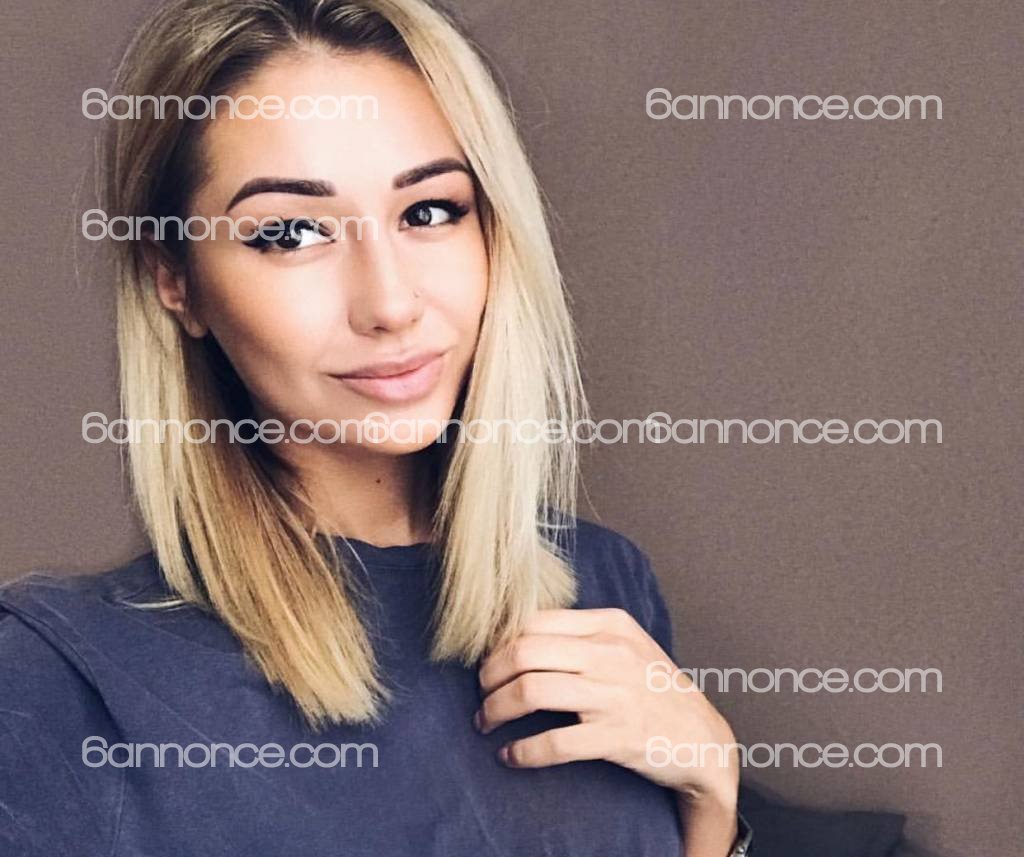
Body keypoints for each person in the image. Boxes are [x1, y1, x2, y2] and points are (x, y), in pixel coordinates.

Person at [0, 1, 753, 854]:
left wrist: (712, 800)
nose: (390, 303)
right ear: (176, 280)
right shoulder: (57, 682)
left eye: (429, 211)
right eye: (292, 232)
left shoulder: (602, 582)